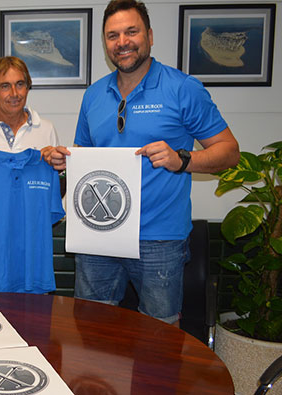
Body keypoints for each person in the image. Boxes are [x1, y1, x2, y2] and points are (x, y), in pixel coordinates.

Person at [46, 0, 239, 324]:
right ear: (105, 43)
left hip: (159, 238)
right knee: (91, 329)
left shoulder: (182, 89)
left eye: (131, 32)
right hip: (98, 235)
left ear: (149, 35)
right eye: (112, 35)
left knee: (159, 335)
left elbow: (229, 151)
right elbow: (86, 157)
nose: (122, 42)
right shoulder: (93, 96)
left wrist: (183, 159)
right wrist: (64, 160)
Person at [0, 56, 62, 292]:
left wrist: (58, 163)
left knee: (33, 321)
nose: (14, 93)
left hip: (33, 250)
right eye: (5, 86)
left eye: (20, 84)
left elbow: (55, 190)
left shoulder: (47, 130)